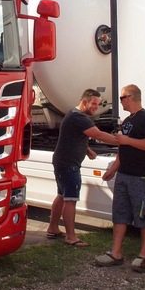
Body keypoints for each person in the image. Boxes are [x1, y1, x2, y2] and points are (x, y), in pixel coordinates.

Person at [94, 84, 145, 272]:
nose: (120, 101)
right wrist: (114, 169)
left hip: (143, 176)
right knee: (120, 213)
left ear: (130, 97)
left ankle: (143, 256)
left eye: (122, 98)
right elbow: (123, 150)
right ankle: (116, 253)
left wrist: (127, 140)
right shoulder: (127, 120)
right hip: (124, 175)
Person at [46, 88, 119, 247]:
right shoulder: (78, 117)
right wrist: (121, 141)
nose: (96, 107)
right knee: (70, 200)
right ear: (84, 102)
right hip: (68, 164)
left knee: (61, 196)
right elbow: (98, 135)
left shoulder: (73, 114)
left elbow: (72, 136)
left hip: (62, 161)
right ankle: (71, 237)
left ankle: (53, 228)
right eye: (94, 103)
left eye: (98, 104)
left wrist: (87, 150)